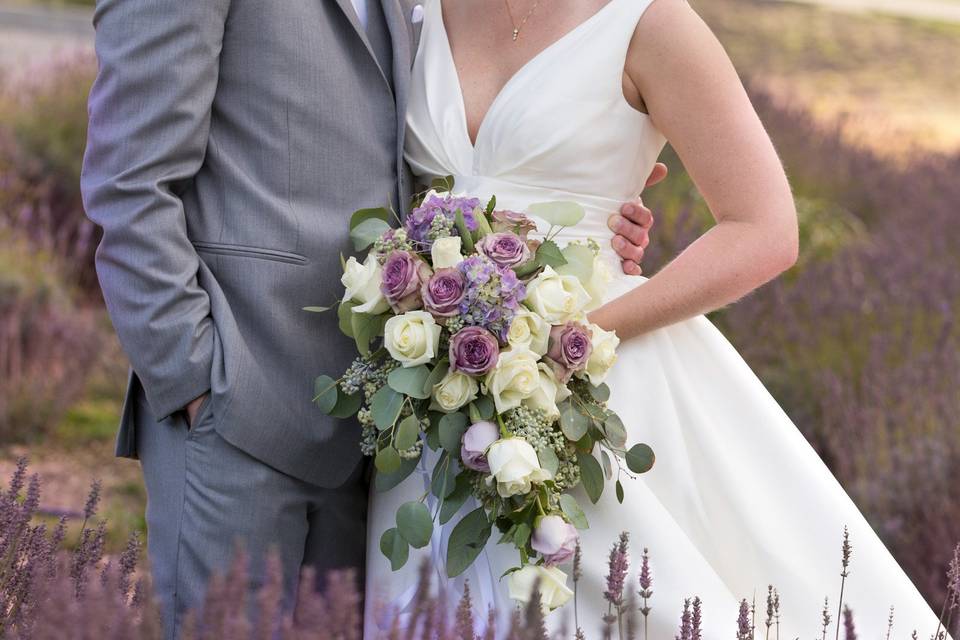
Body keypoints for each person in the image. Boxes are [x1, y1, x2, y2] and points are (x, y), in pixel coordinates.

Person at [363, 0, 944, 637]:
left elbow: (765, 229)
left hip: (603, 373)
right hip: (431, 384)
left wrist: (578, 337)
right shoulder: (413, 11)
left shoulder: (649, 23)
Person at [79, 0, 656, 636]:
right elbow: (128, 183)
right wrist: (192, 378)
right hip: (237, 398)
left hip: (376, 424)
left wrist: (580, 202)